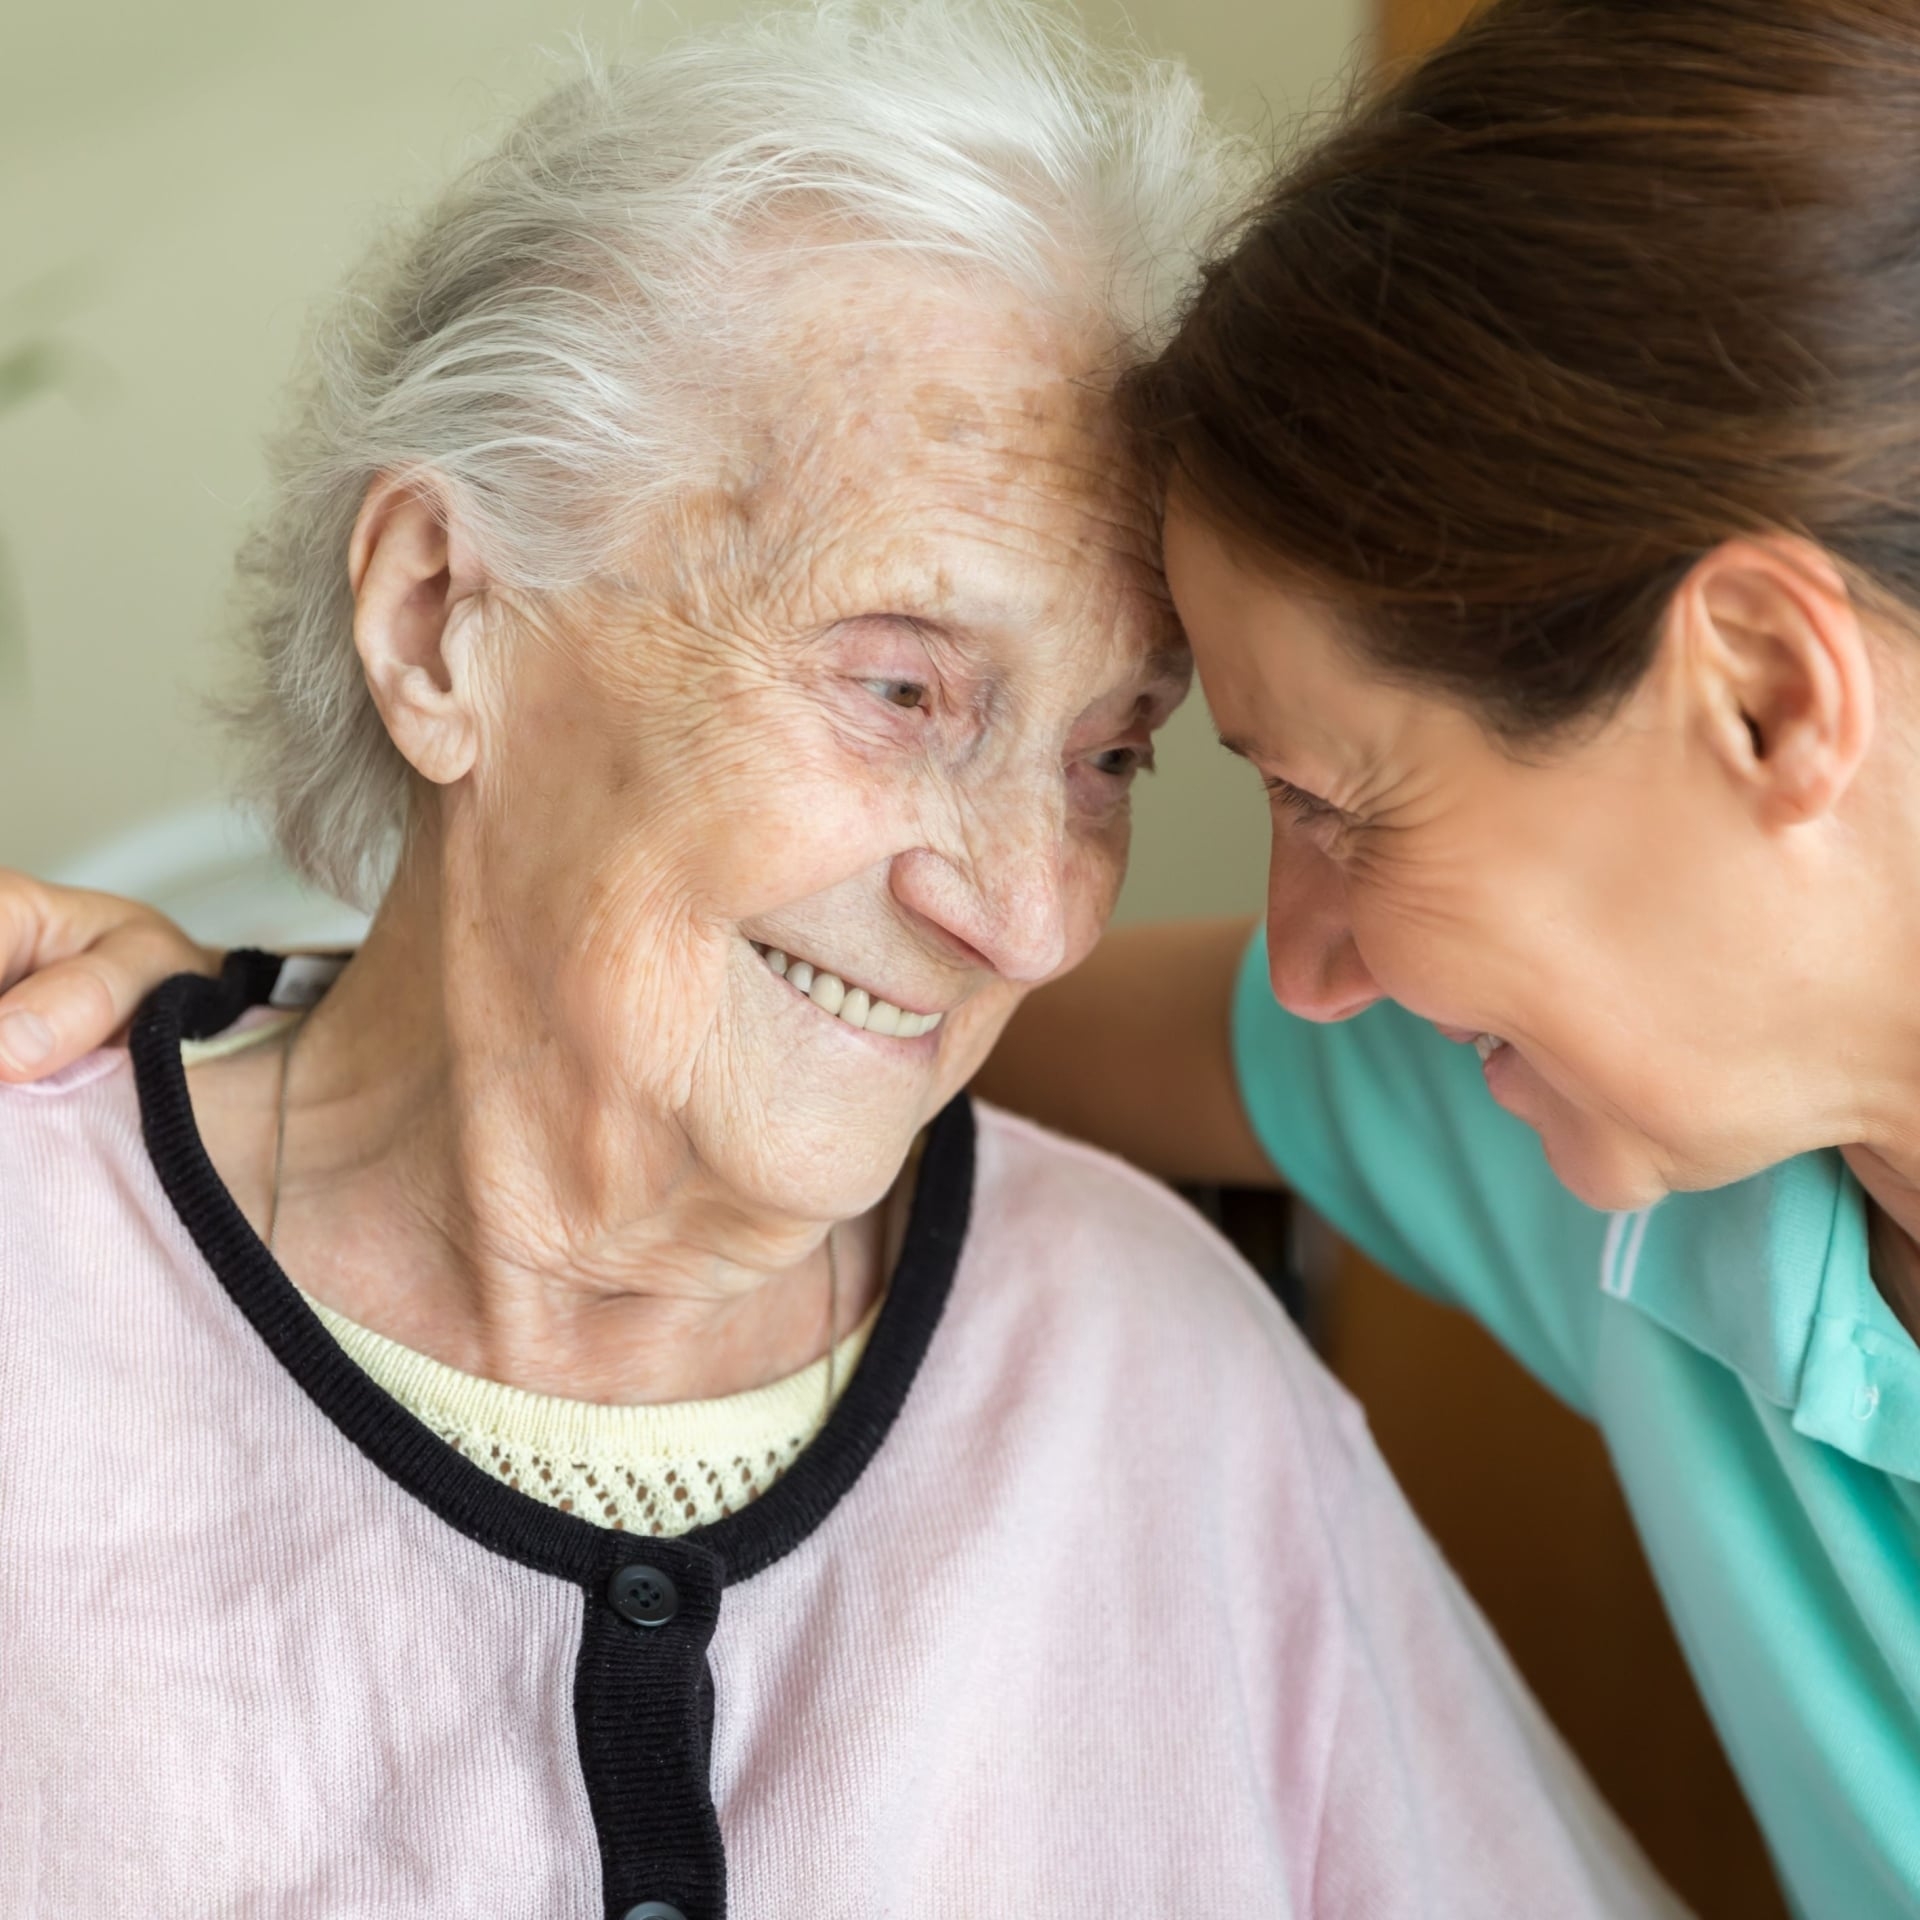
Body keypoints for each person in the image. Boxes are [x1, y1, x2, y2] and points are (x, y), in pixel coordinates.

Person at [0, 5, 1691, 1916]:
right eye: (900, 689)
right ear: (439, 621)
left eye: (1108, 754)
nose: (1036, 918)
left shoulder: (1159, 1382)